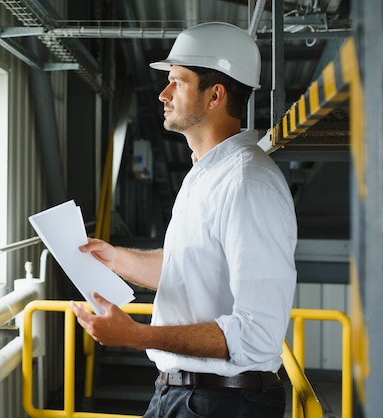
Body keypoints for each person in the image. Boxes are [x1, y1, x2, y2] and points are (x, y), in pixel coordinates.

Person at [71, 22, 297, 418]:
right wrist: (115, 259)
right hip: (186, 394)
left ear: (215, 96)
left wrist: (136, 336)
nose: (163, 93)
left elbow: (257, 334)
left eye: (177, 82)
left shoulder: (248, 183)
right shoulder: (206, 173)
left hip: (223, 403)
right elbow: (188, 269)